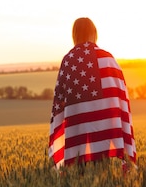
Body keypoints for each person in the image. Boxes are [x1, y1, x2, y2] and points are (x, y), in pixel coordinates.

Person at [48, 17, 137, 171]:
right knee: (104, 172)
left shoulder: (68, 60)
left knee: (80, 173)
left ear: (74, 35)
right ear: (94, 33)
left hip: (77, 131)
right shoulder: (107, 58)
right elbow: (120, 93)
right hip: (107, 129)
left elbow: (59, 102)